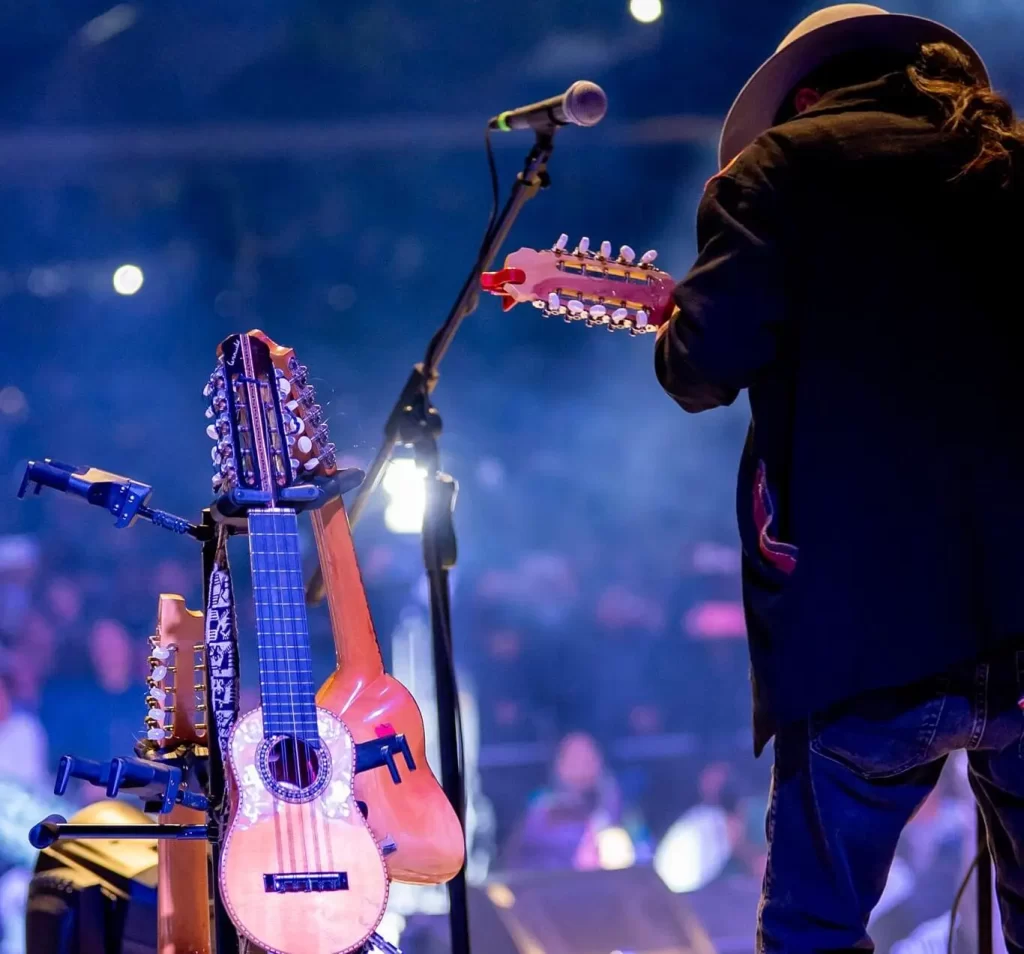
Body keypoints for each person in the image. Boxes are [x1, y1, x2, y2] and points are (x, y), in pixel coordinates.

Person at [654, 4, 1024, 950]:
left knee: (817, 930)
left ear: (807, 94)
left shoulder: (780, 172)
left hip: (866, 627)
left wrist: (684, 324)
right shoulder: (1007, 161)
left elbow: (702, 367)